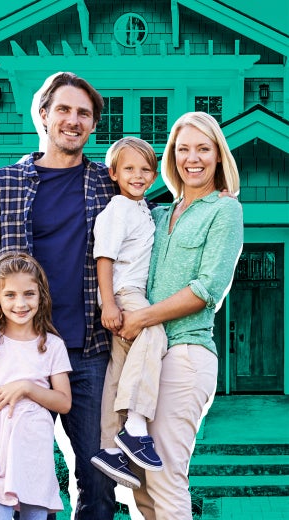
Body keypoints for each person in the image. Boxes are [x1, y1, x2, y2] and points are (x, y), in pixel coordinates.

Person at [0, 72, 117, 519]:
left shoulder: (108, 186)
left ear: (92, 125)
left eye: (83, 113)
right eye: (63, 109)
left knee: (98, 478)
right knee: (10, 474)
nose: (73, 120)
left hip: (88, 352)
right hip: (19, 351)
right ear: (43, 115)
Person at [118, 112, 243, 519]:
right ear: (171, 157)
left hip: (186, 353)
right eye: (183, 149)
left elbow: (208, 288)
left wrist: (143, 318)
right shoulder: (155, 214)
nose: (193, 158)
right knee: (139, 480)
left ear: (218, 156)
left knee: (166, 474)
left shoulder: (224, 211)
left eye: (203, 149)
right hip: (148, 357)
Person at [0, 252, 72, 520]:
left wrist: (26, 387)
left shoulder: (52, 346)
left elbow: (64, 402)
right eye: (10, 295)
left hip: (34, 455)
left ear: (41, 296)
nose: (20, 303)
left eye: (28, 294)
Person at [89, 137, 167, 489]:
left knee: (118, 368)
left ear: (153, 175)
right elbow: (103, 256)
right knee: (154, 333)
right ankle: (135, 425)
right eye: (129, 169)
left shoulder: (142, 209)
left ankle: (109, 447)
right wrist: (109, 303)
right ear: (114, 173)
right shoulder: (119, 208)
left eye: (145, 169)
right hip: (124, 293)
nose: (138, 175)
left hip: (129, 294)